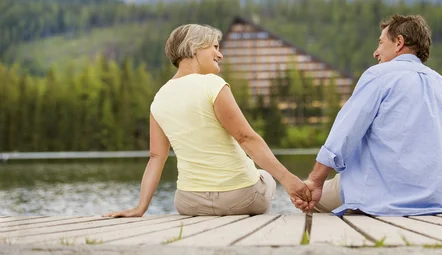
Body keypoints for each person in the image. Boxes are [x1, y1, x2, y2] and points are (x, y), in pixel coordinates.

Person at [104, 23, 310, 217]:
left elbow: (156, 157)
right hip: (241, 198)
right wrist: (288, 180)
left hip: (189, 202)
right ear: (194, 47)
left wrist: (140, 208)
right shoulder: (212, 84)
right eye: (215, 47)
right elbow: (246, 138)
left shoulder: (159, 98)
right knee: (266, 178)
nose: (220, 54)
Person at [293, 14, 442, 216]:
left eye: (381, 43)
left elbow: (344, 134)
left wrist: (315, 181)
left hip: (381, 199)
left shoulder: (379, 76)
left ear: (399, 42)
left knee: (311, 200)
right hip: (440, 201)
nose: (375, 52)